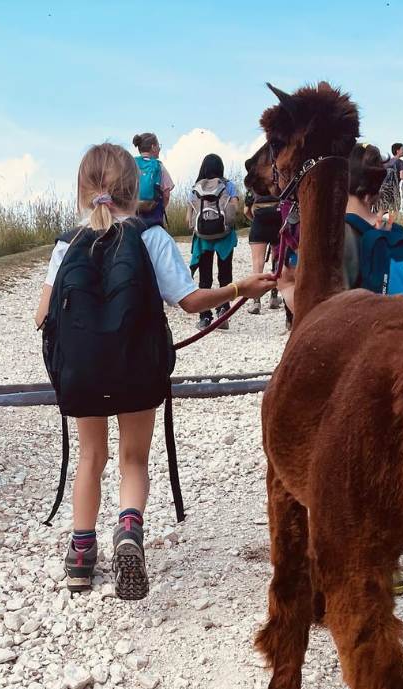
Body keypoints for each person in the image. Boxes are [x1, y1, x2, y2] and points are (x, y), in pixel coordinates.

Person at [34, 144, 276, 599]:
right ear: (135, 188)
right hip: (138, 369)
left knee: (91, 457)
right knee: (133, 459)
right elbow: (189, 302)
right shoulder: (151, 237)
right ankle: (128, 530)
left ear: (83, 191)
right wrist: (238, 287)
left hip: (83, 374)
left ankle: (81, 553)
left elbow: (41, 314)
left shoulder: (67, 244)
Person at [342, 142, 403, 595]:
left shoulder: (337, 235)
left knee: (351, 452)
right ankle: (388, 557)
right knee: (391, 453)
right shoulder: (395, 230)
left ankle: (348, 548)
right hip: (399, 357)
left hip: (352, 359)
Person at [187, 154, 240, 330]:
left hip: (203, 238)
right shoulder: (229, 185)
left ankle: (204, 317)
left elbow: (189, 218)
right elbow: (235, 209)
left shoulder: (196, 187)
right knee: (225, 274)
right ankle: (223, 310)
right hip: (224, 236)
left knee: (205, 277)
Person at [243, 154, 284, 315]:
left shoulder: (253, 187)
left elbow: (246, 210)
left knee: (257, 264)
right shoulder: (278, 184)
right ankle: (274, 297)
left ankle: (256, 302)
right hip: (277, 223)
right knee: (276, 260)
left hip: (259, 224)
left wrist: (255, 221)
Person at [131, 132, 174, 228]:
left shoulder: (131, 164)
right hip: (153, 217)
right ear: (153, 147)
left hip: (133, 217)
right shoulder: (159, 166)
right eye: (159, 146)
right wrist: (160, 208)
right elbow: (166, 195)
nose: (159, 149)